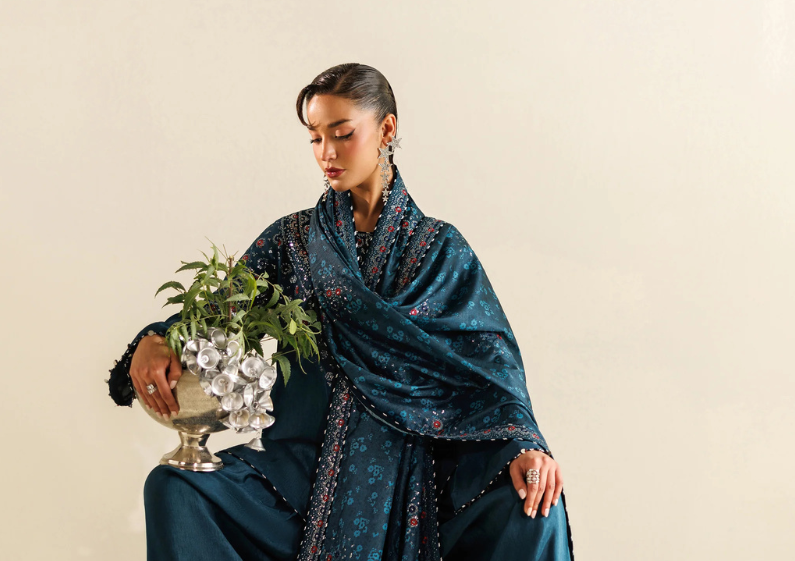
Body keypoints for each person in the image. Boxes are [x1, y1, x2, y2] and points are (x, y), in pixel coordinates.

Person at [106, 63, 573, 561]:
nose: (326, 153)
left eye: (342, 134)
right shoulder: (293, 242)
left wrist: (524, 444)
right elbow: (219, 315)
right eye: (314, 137)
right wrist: (156, 338)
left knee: (533, 508)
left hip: (422, 476)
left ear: (386, 130)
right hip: (299, 480)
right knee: (174, 488)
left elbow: (491, 366)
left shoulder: (441, 250)